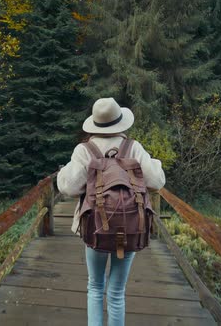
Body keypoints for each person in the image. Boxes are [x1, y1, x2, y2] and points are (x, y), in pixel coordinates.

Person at [56, 97, 166, 326]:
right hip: (130, 227)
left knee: (95, 287)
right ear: (121, 122)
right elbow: (156, 181)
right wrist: (155, 163)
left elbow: (68, 187)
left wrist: (64, 171)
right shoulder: (133, 147)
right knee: (117, 292)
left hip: (95, 226)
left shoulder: (84, 150)